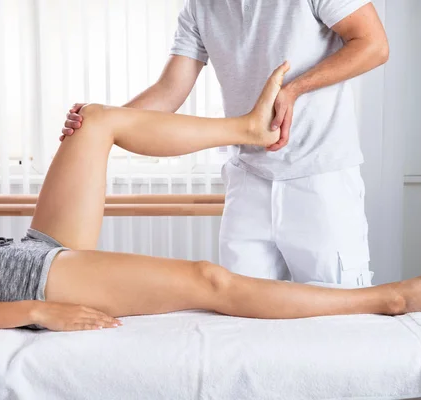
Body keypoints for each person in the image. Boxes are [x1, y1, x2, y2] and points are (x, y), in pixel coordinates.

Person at [0, 64, 421, 335]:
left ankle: (249, 129)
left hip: (13, 251)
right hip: (13, 284)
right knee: (208, 280)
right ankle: (390, 298)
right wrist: (34, 311)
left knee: (94, 123)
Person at [62, 0, 389, 286]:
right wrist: (101, 122)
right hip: (248, 179)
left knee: (340, 314)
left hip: (319, 176)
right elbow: (169, 90)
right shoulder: (200, 7)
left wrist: (294, 89)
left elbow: (373, 44)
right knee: (241, 313)